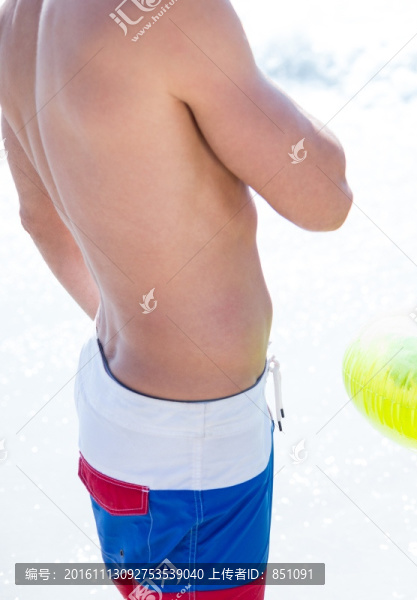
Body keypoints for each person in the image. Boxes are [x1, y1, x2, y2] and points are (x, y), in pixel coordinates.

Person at [0, 0, 351, 597]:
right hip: (192, 444)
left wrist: (150, 332)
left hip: (119, 403)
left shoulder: (15, 18)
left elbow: (41, 221)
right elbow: (327, 199)